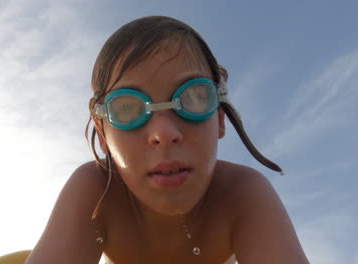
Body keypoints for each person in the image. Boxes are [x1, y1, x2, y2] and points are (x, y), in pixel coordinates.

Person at [25, 16, 310, 264]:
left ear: (220, 118)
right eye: (127, 108)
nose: (164, 133)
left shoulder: (242, 195)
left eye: (193, 99)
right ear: (102, 135)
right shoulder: (97, 193)